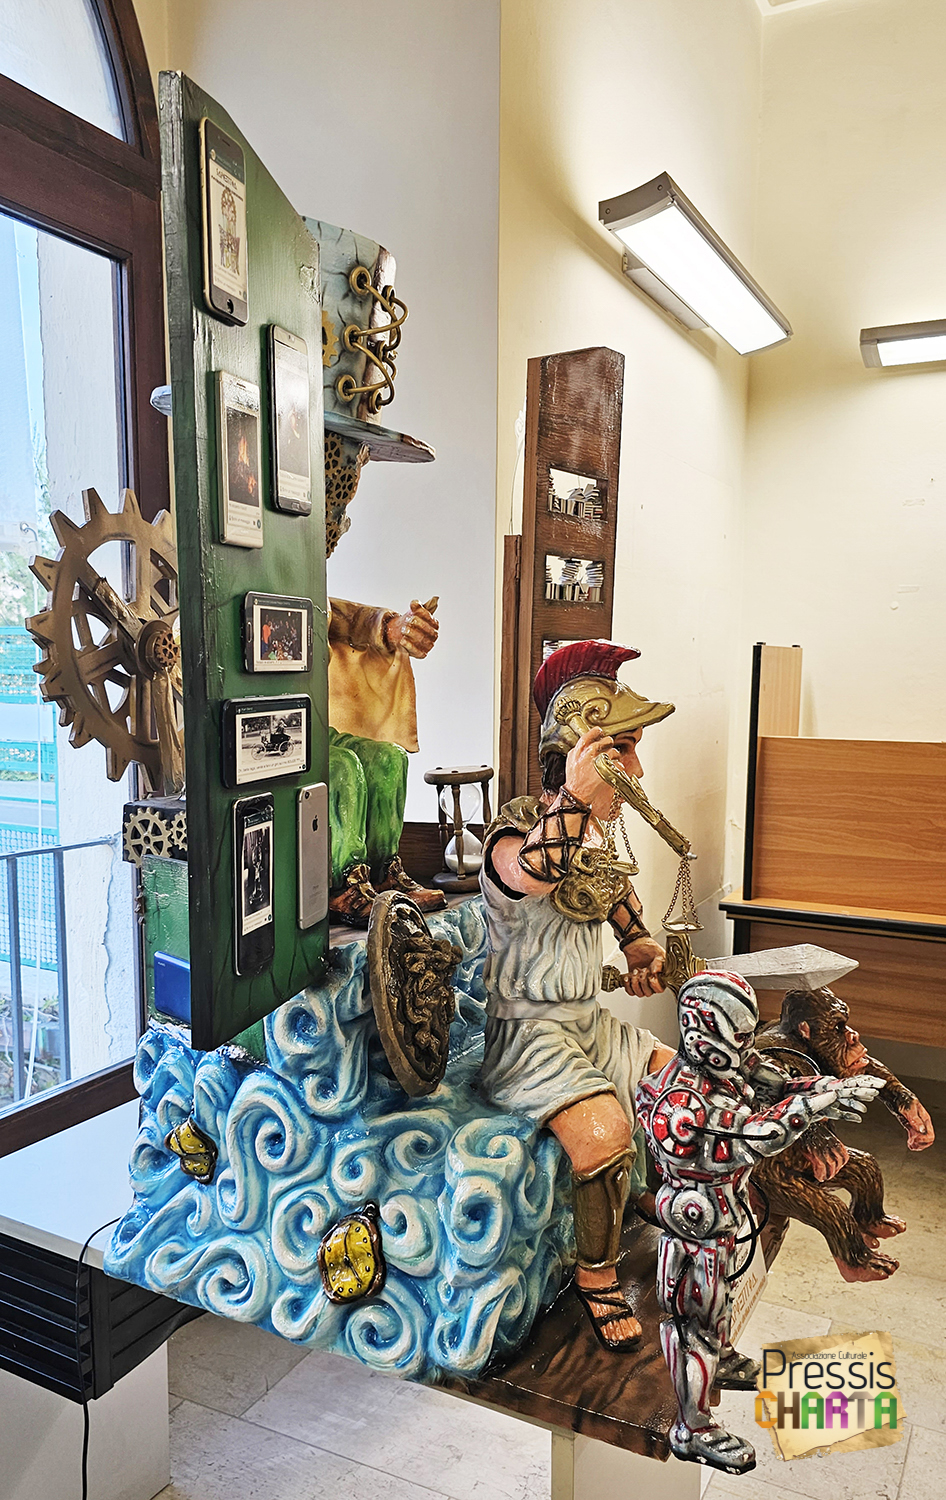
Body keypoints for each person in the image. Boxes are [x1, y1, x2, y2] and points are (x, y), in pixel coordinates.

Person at [476, 640, 677, 1349]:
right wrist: (576, 794)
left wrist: (642, 948)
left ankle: (645, 1196)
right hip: (527, 1039)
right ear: (579, 751)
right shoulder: (514, 831)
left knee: (678, 1084)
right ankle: (597, 1277)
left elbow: (617, 906)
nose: (638, 771)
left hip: (588, 1024)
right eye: (624, 751)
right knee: (602, 1133)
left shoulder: (592, 839)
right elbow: (535, 871)